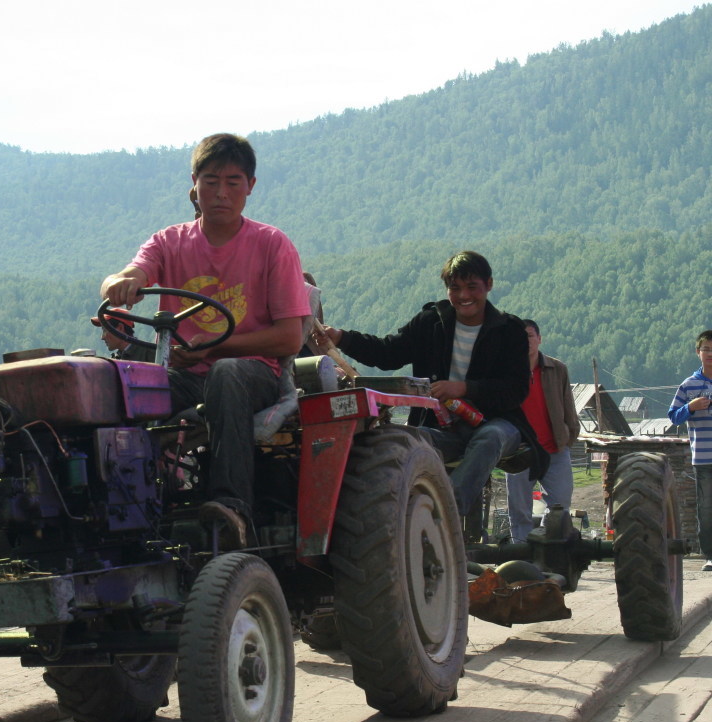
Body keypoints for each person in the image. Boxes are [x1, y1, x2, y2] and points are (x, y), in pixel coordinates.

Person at [100, 132, 309, 541]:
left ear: (250, 187)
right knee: (113, 383)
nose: (221, 193)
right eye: (211, 181)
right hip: (189, 371)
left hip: (253, 376)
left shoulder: (272, 244)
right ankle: (118, 506)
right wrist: (119, 284)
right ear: (193, 185)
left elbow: (288, 339)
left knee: (226, 374)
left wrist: (217, 347)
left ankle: (232, 509)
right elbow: (129, 273)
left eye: (233, 182)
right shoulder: (169, 241)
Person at [320, 250, 548, 519]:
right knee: (402, 441)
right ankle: (387, 517)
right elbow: (387, 352)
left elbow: (515, 390)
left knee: (489, 438)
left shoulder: (510, 331)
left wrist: (464, 388)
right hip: (443, 429)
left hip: (498, 424)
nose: (463, 296)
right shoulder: (431, 322)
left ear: (489, 285)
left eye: (472, 287)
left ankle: (445, 516)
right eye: (455, 288)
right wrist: (343, 338)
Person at [503, 319, 580, 541]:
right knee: (519, 513)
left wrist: (567, 437)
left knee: (559, 509)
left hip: (554, 450)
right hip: (519, 453)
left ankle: (548, 550)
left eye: (528, 335)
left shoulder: (557, 369)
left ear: (539, 338)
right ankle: (523, 560)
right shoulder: (506, 372)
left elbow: (569, 408)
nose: (525, 341)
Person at [668, 329, 712, 572]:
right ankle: (710, 555)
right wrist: (691, 407)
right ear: (698, 352)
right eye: (706, 349)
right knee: (706, 510)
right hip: (703, 458)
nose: (710, 354)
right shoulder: (689, 385)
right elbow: (673, 417)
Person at [90, 308, 155, 362]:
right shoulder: (116, 359)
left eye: (105, 330)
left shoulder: (150, 354)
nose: (102, 337)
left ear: (120, 328)